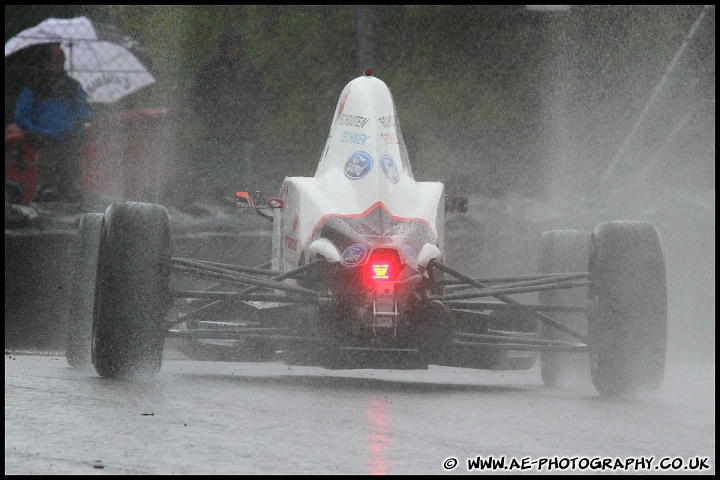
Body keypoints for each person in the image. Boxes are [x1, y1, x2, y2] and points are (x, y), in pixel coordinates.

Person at [191, 25, 266, 204]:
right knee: (216, 169)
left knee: (241, 171)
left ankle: (240, 204)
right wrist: (208, 113)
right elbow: (197, 95)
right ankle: (216, 201)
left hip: (243, 131)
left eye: (235, 45)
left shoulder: (248, 69)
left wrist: (252, 116)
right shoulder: (210, 68)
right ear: (223, 46)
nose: (232, 49)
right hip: (216, 129)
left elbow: (259, 97)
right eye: (229, 45)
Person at [14, 43, 91, 203]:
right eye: (55, 60)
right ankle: (46, 196)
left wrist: (74, 127)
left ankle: (69, 194)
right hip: (45, 142)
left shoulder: (73, 87)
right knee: (47, 186)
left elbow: (83, 109)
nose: (59, 65)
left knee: (70, 184)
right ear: (45, 61)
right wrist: (37, 132)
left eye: (61, 60)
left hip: (69, 141)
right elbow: (22, 115)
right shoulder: (34, 87)